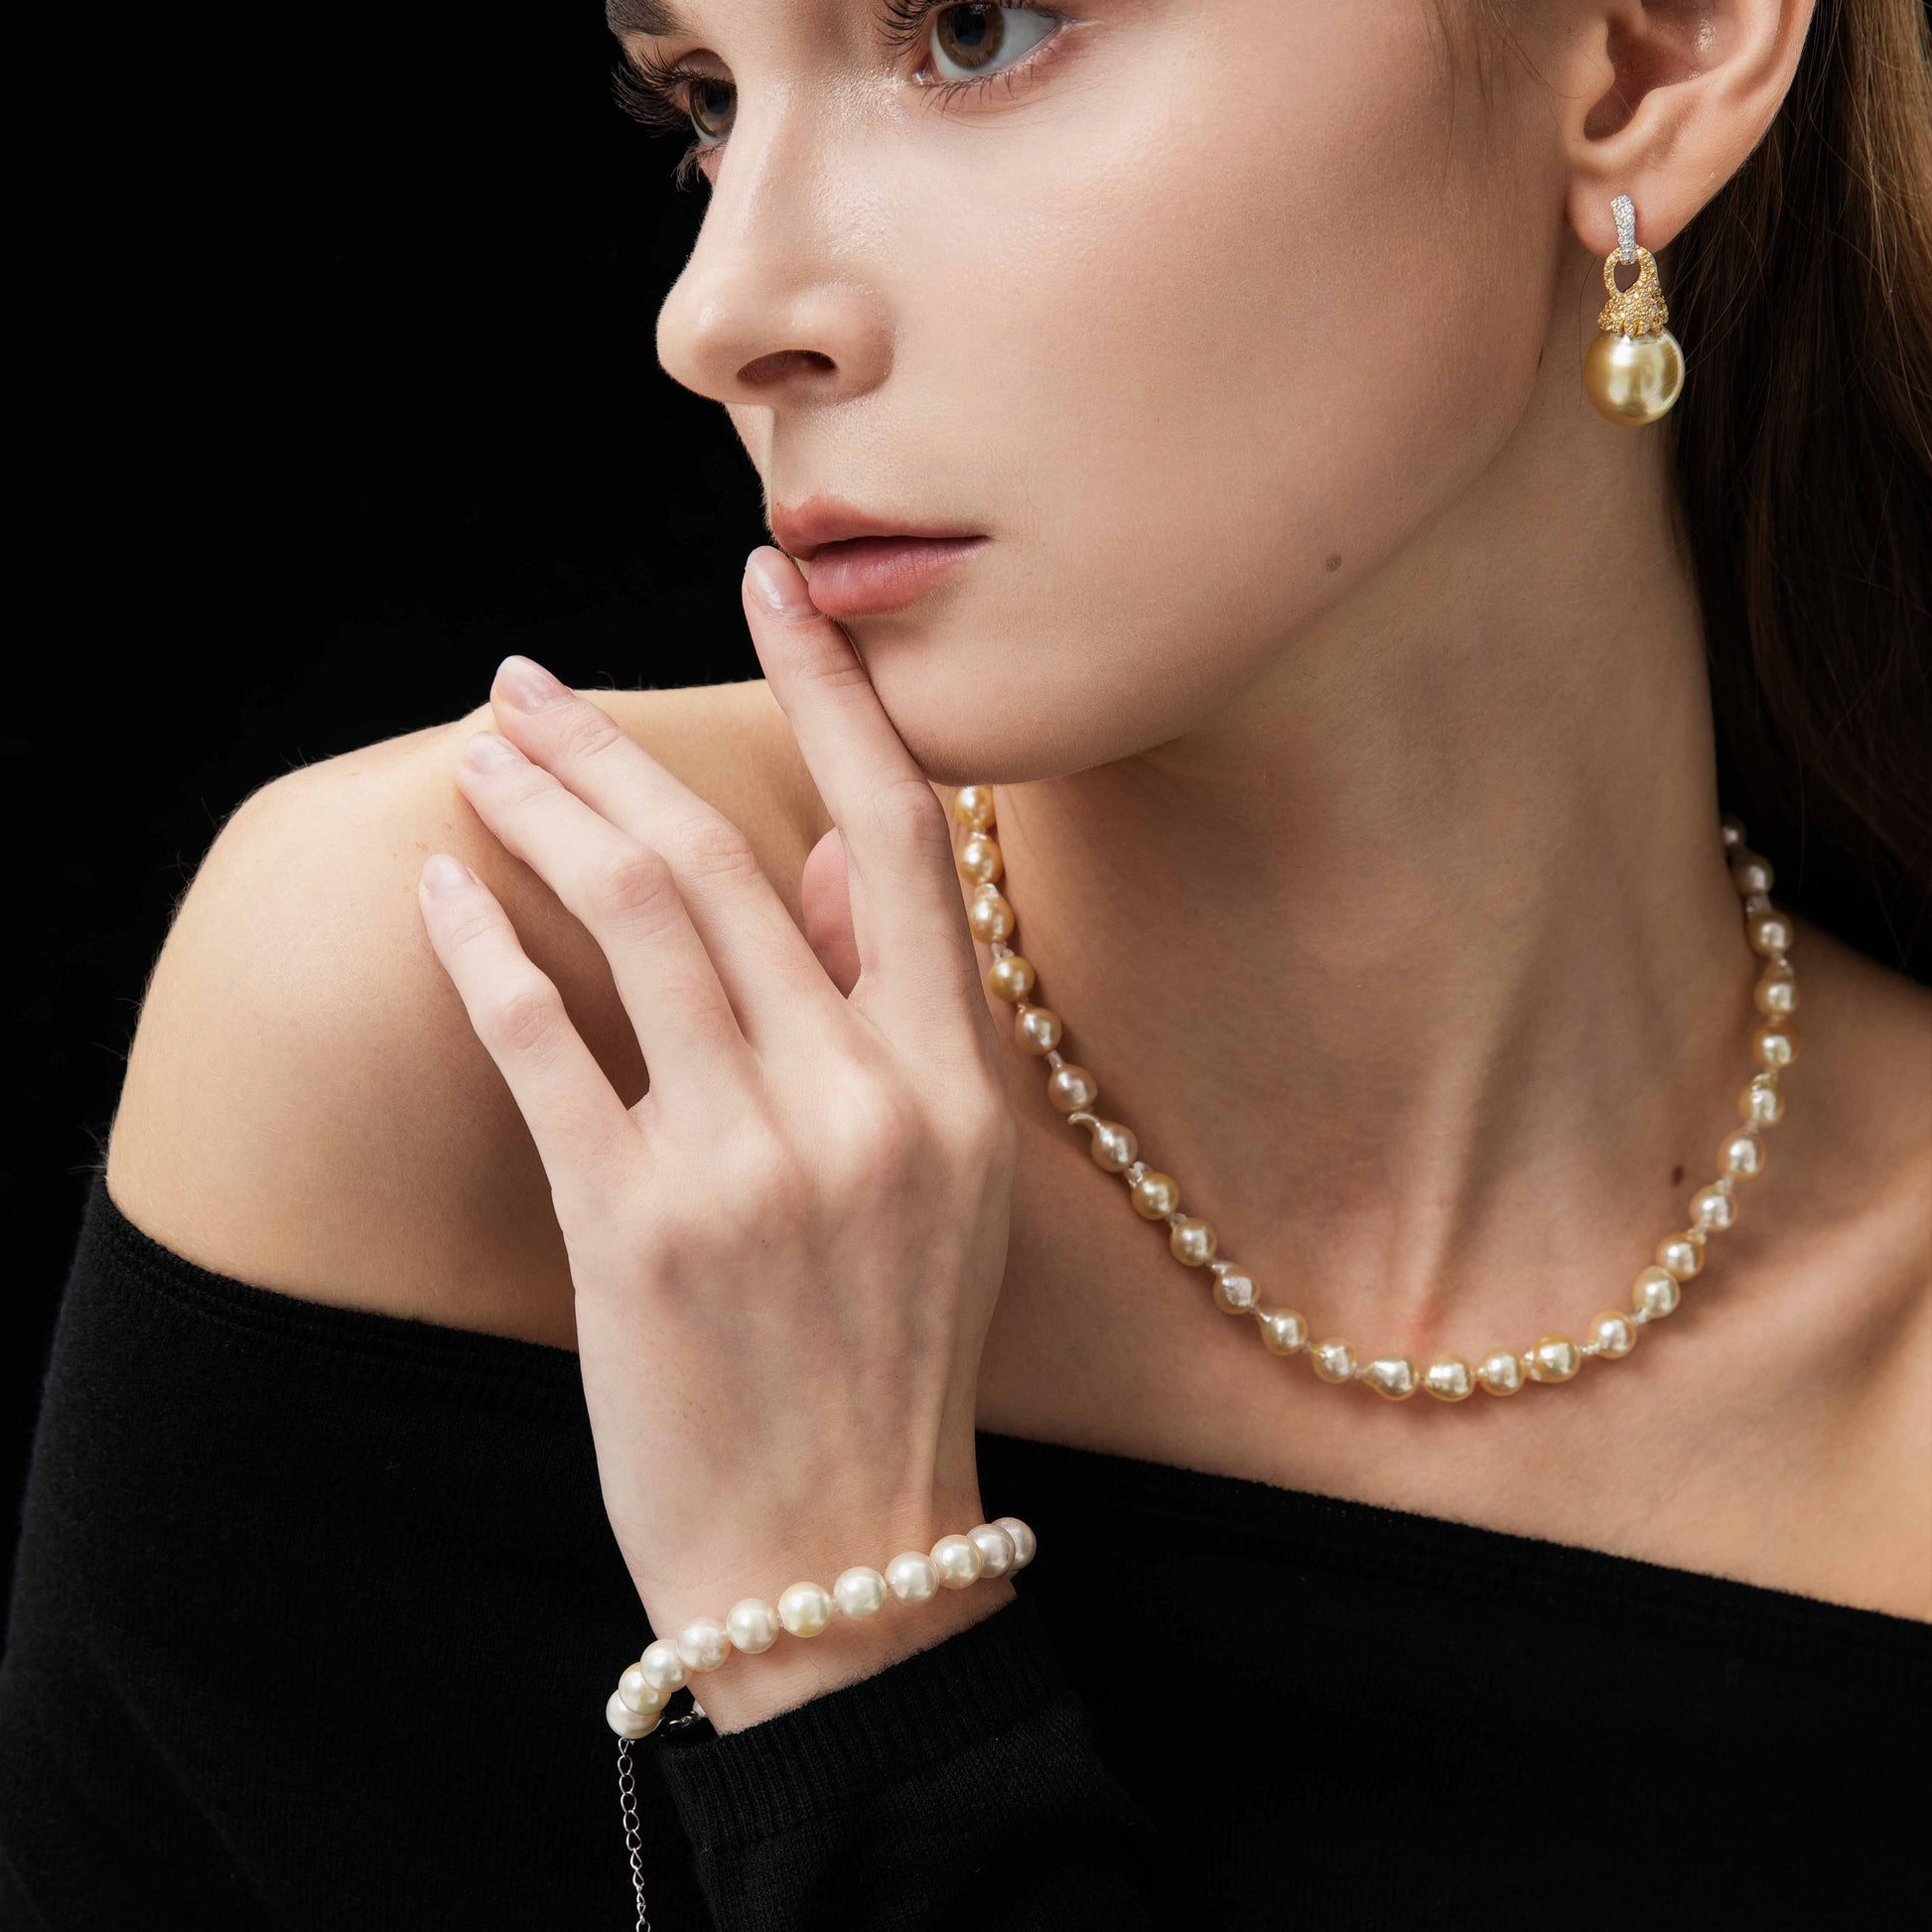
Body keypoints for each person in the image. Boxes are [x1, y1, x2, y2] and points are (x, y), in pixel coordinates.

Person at [5, 1, 1929, 1926]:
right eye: (705, 97)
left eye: (974, 28)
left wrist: (845, 1647)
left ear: (1645, 58)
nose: (718, 308)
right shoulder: (502, 1011)